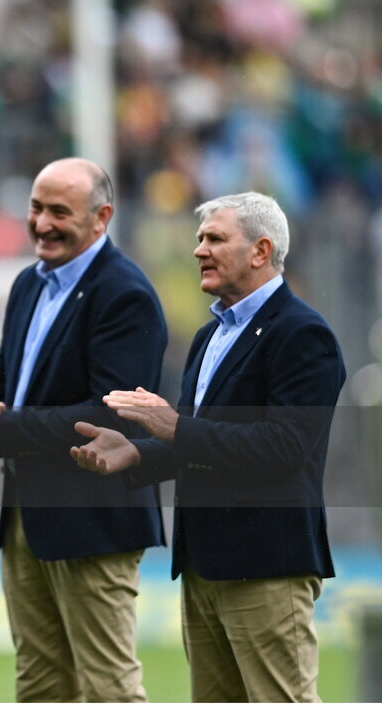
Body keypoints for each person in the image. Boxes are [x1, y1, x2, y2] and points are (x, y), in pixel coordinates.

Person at [71, 192, 345, 702]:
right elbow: (201, 440)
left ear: (261, 250)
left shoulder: (304, 335)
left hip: (267, 568)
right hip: (204, 566)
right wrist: (136, 452)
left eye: (215, 238)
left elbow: (283, 449)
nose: (199, 249)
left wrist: (172, 427)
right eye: (200, 238)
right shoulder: (209, 335)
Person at [0, 158, 167, 701]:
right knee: (40, 684)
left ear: (101, 217)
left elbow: (113, 415)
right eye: (36, 208)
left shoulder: (124, 293)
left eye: (59, 212)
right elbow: (5, 382)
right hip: (25, 512)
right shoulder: (28, 284)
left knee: (107, 687)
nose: (42, 223)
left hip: (93, 517)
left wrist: (3, 427)